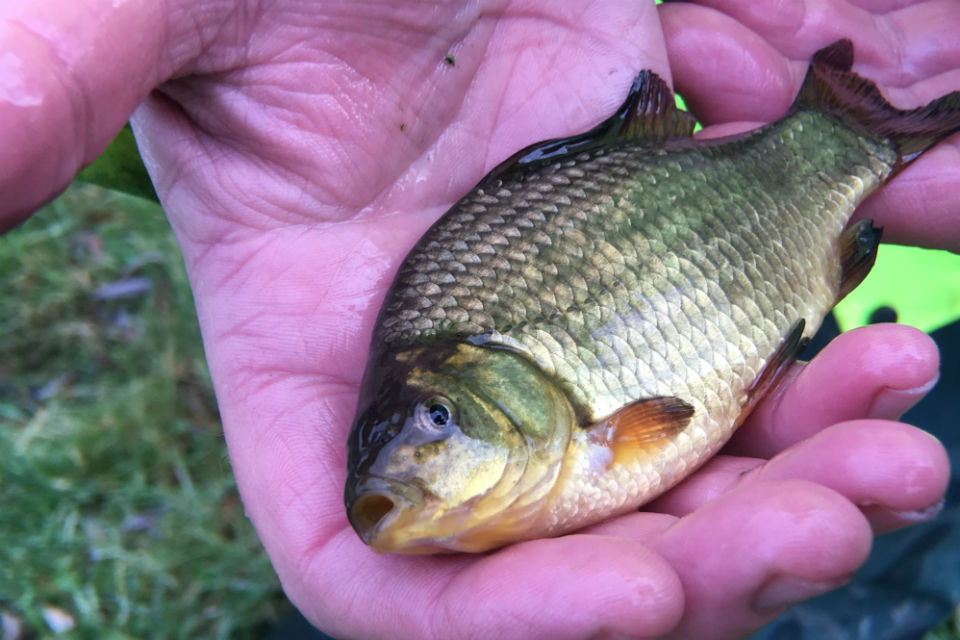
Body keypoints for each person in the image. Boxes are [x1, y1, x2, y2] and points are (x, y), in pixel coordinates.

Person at [2, 1, 956, 638]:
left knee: (871, 496)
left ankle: (848, 130)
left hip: (782, 226)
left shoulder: (568, 431)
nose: (400, 475)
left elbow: (655, 427)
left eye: (436, 421)